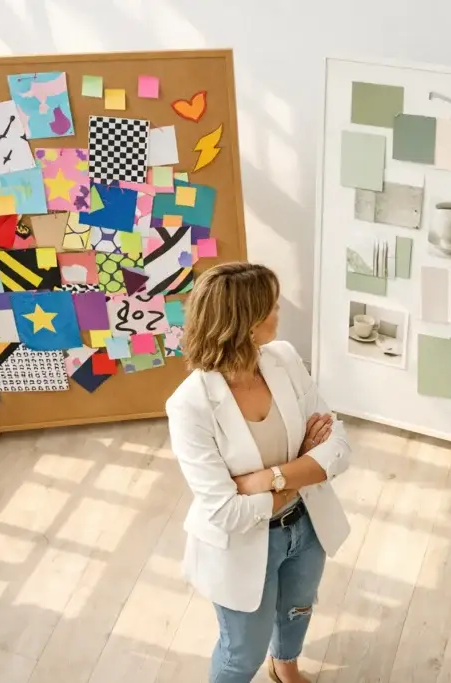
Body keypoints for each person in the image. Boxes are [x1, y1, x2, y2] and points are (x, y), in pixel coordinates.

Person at [166, 262, 352, 683]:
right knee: (240, 653)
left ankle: (284, 666)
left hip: (306, 527)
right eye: (271, 305)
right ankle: (264, 663)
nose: (279, 310)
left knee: (297, 610)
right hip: (242, 544)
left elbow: (338, 447)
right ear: (244, 323)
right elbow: (227, 513)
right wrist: (305, 465)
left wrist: (270, 479)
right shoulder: (190, 406)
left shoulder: (283, 358)